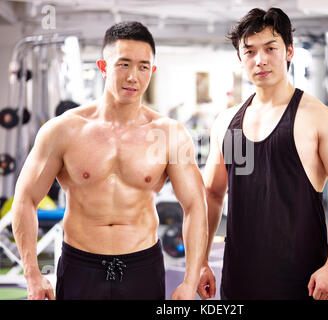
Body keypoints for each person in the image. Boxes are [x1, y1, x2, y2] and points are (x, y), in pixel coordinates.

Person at [11, 21, 208, 300]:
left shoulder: (170, 134)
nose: (133, 77)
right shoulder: (63, 130)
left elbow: (195, 206)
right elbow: (25, 198)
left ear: (151, 70)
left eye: (143, 67)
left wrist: (190, 281)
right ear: (103, 67)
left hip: (142, 268)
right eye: (123, 64)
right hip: (81, 267)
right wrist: (32, 274)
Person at [197, 7, 328, 300]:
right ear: (240, 59)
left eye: (270, 48)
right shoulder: (226, 122)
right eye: (249, 52)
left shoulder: (320, 118)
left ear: (288, 51)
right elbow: (212, 193)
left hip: (306, 285)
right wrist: (199, 261)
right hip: (240, 283)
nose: (260, 59)